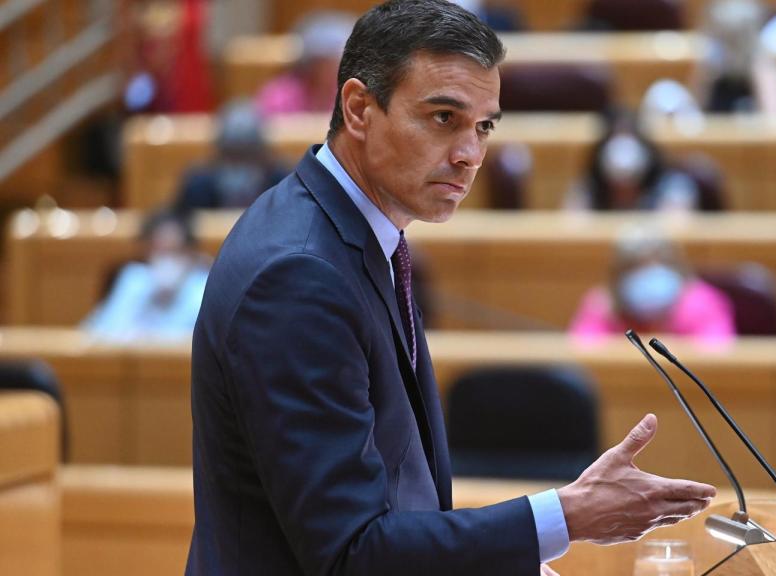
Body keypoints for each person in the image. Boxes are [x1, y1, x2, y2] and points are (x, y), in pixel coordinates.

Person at [187, 2, 716, 575]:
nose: (469, 155)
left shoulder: (354, 236)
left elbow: (398, 504)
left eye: (483, 126)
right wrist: (565, 516)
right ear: (360, 108)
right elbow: (349, 554)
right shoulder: (298, 274)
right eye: (444, 117)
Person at [570, 229, 736, 341]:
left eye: (658, 265)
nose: (648, 277)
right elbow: (584, 352)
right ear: (618, 275)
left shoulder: (703, 303)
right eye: (635, 268)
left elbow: (716, 356)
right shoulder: (601, 305)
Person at [82, 209, 209, 342]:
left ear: (190, 253)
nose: (166, 261)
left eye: (174, 251)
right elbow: (95, 333)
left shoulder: (202, 289)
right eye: (159, 251)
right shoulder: (133, 279)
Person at [565, 107, 701, 211]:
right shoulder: (588, 188)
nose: (623, 152)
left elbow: (678, 231)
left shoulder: (672, 185)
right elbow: (574, 230)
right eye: (616, 140)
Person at [173, 100, 289, 211]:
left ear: (263, 155)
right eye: (233, 156)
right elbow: (173, 217)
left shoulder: (282, 184)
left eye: (247, 156)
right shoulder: (199, 185)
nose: (240, 167)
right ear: (219, 154)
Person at [693, 0, 776, 115]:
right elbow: (695, 114)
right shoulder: (711, 66)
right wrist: (707, 76)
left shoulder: (764, 68)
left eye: (736, 39)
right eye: (725, 39)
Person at [256, 11, 355, 116]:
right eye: (325, 63)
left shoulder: (349, 93)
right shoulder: (281, 95)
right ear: (310, 64)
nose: (335, 68)